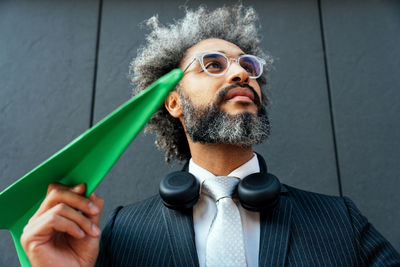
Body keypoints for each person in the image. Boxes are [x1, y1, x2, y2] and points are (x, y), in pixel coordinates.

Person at [20, 4, 400, 267]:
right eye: (212, 64)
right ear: (173, 102)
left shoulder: (340, 220)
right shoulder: (120, 232)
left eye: (247, 66)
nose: (240, 75)